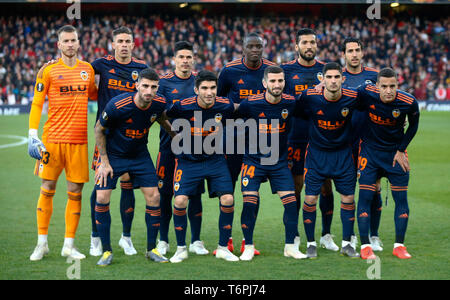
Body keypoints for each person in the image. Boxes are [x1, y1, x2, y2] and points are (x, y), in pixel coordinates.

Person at [28, 25, 98, 261]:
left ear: (79, 43)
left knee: (75, 192)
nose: (70, 44)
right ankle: (42, 243)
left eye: (73, 40)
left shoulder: (87, 70)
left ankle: (69, 245)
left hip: (78, 141)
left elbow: (97, 94)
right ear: (58, 45)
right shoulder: (47, 71)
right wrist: (32, 133)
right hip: (52, 141)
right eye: (65, 41)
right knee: (47, 189)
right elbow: (37, 103)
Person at [94, 68, 171, 266]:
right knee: (102, 196)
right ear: (137, 85)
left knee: (154, 197)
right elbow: (99, 129)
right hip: (114, 155)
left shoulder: (159, 103)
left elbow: (162, 120)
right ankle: (106, 251)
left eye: (154, 87)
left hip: (139, 155)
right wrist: (104, 162)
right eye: (145, 86)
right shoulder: (118, 105)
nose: (149, 91)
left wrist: (178, 137)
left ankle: (151, 249)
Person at [166, 70, 238, 263]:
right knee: (180, 201)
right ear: (196, 89)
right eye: (204, 88)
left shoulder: (225, 105)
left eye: (213, 88)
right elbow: (162, 115)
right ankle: (181, 249)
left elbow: (237, 115)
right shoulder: (182, 106)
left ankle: (223, 248)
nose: (209, 92)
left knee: (228, 198)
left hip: (215, 161)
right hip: (188, 162)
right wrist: (174, 135)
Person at [235, 66, 307, 261]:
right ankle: (248, 246)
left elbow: (303, 116)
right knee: (250, 203)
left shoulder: (291, 102)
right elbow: (235, 123)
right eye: (273, 81)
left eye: (280, 81)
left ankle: (290, 246)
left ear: (284, 82)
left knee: (291, 203)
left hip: (278, 162)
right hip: (253, 161)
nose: (277, 85)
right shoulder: (250, 104)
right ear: (264, 83)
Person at [89, 26, 149, 256]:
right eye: (120, 41)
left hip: (131, 138)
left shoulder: (141, 68)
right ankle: (95, 237)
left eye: (128, 41)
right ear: (113, 44)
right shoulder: (101, 64)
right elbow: (80, 71)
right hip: (105, 135)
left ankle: (126, 237)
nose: (124, 45)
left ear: (134, 45)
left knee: (127, 184)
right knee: (101, 186)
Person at [294, 62, 361, 259]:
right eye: (329, 77)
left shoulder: (353, 97)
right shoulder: (310, 96)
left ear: (343, 79)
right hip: (316, 155)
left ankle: (348, 244)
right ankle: (311, 244)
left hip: (342, 155)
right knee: (310, 198)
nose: (333, 81)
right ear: (322, 79)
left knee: (348, 198)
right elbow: (295, 110)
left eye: (336, 77)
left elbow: (374, 105)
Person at [217, 32, 276, 255]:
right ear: (243, 48)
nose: (254, 50)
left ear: (263, 48)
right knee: (228, 188)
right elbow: (218, 98)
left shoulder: (270, 70)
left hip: (260, 138)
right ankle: (228, 239)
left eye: (258, 46)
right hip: (232, 137)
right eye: (250, 46)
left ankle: (247, 241)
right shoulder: (230, 70)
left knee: (252, 190)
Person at [281, 28, 337, 251]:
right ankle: (294, 234)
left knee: (326, 185)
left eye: (312, 42)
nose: (309, 46)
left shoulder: (326, 71)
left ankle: (326, 234)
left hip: (321, 138)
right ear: (296, 46)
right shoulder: (285, 71)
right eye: (304, 42)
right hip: (294, 137)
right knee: (296, 186)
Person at [356, 68, 420, 260]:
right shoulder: (366, 93)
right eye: (384, 86)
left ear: (397, 86)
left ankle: (399, 246)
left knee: (401, 199)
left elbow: (414, 125)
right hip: (370, 153)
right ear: (377, 86)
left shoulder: (408, 102)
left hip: (395, 155)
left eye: (392, 86)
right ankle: (365, 246)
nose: (388, 90)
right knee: (366, 197)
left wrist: (401, 149)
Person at [155, 41, 207, 257]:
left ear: (193, 59)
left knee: (194, 195)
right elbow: (158, 113)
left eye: (189, 57)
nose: (185, 61)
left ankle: (195, 240)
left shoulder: (200, 81)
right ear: (174, 60)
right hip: (169, 147)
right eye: (181, 57)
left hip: (195, 148)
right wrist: (173, 132)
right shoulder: (164, 83)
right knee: (165, 194)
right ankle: (164, 240)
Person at [340, 37, 383, 251]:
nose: (354, 54)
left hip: (370, 142)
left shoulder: (374, 76)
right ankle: (349, 237)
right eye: (350, 51)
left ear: (362, 53)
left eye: (357, 50)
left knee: (374, 189)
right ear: (344, 54)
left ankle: (373, 236)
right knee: (348, 191)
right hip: (345, 142)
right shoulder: (337, 77)